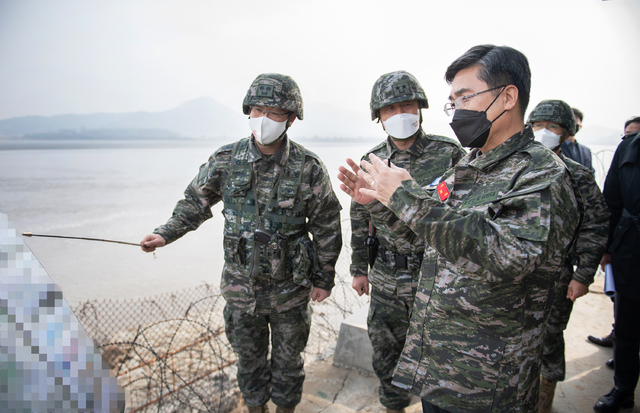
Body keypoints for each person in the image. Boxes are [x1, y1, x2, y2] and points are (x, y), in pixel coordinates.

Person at [339, 44, 580, 413]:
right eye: (451, 101)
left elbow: (510, 257)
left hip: (488, 380)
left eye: (465, 97)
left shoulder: (539, 174)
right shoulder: (468, 168)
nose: (456, 110)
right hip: (442, 365)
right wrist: (382, 206)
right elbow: (428, 237)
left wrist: (404, 198)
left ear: (508, 96)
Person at [140, 73, 343, 413]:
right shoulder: (226, 159)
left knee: (289, 362)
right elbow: (195, 203)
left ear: (291, 118)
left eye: (275, 112)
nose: (264, 119)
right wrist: (165, 234)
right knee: (248, 362)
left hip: (290, 290)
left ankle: (285, 409)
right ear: (249, 111)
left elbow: (326, 225)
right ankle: (255, 408)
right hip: (240, 290)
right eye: (259, 110)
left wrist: (324, 278)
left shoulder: (308, 167)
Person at [339, 71, 464, 413]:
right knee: (386, 351)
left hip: (435, 276)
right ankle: (393, 405)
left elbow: (459, 214)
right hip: (387, 276)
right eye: (390, 109)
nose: (399, 114)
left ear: (421, 108)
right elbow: (359, 218)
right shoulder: (373, 160)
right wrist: (358, 269)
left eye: (407, 105)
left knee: (439, 356)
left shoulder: (449, 154)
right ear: (378, 117)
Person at [527, 99, 609, 413]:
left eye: (552, 127)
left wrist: (583, 275)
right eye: (537, 126)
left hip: (557, 276)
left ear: (566, 134)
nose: (543, 133)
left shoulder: (579, 176)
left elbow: (596, 225)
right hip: (516, 274)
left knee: (549, 337)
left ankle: (544, 400)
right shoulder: (516, 168)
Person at [593, 117, 640, 413]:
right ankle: (623, 389)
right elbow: (610, 201)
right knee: (626, 328)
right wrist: (606, 249)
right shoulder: (628, 149)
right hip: (631, 252)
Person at [560, 108, 594, 172]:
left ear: (580, 126)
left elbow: (590, 172)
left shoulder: (586, 151)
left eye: (575, 120)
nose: (571, 123)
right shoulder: (554, 147)